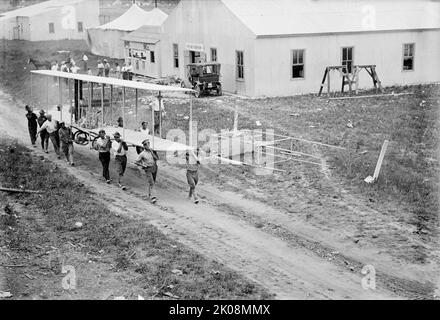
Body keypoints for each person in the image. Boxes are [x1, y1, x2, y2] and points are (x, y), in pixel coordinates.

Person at [135, 139, 158, 203]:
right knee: (151, 183)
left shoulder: (152, 151)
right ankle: (153, 197)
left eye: (148, 144)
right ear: (144, 146)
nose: (147, 145)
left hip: (154, 167)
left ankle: (150, 194)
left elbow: (157, 158)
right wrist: (142, 165)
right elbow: (136, 161)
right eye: (146, 144)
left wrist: (152, 152)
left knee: (152, 182)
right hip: (147, 168)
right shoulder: (142, 154)